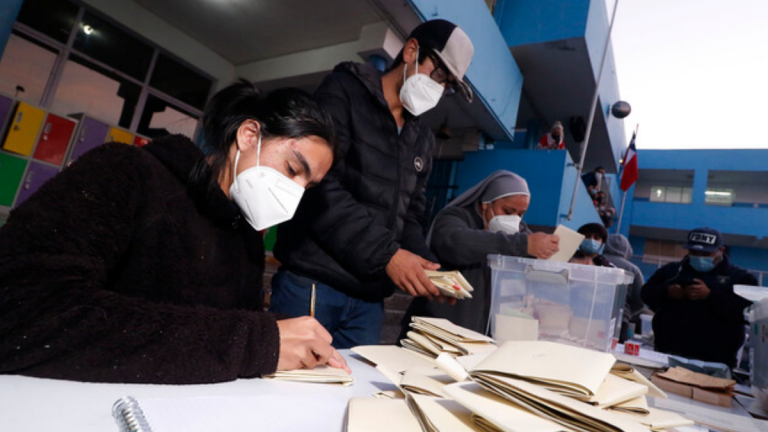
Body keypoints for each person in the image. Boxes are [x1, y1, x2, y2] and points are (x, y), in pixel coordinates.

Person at [0, 81, 350, 384]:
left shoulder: (245, 241)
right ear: (248, 135)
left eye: (308, 186)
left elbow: (214, 325)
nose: (295, 194)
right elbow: (23, 309)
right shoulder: (126, 173)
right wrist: (258, 341)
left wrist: (285, 333)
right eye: (292, 169)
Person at [271, 19, 475, 348]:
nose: (440, 89)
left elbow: (409, 216)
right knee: (290, 389)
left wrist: (428, 269)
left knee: (353, 396)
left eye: (448, 85)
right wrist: (388, 256)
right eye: (439, 75)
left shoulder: (420, 136)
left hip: (368, 300)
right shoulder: (343, 92)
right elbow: (318, 187)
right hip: (314, 280)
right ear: (411, 51)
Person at [400, 170, 560, 335]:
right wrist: (524, 245)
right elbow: (455, 243)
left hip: (481, 330)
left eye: (521, 214)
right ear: (486, 203)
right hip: (438, 327)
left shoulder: (519, 231)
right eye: (508, 211)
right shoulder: (454, 217)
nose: (515, 219)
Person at [641, 228, 756, 368]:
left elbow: (747, 312)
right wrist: (667, 292)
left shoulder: (740, 278)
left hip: (716, 361)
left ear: (721, 250)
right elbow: (645, 294)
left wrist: (710, 295)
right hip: (668, 354)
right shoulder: (672, 271)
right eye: (694, 253)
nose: (700, 257)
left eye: (706, 253)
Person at [603, 234, 646, 341]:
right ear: (628, 250)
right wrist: (626, 312)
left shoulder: (596, 261)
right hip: (620, 321)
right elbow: (640, 299)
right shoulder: (633, 270)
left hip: (592, 318)